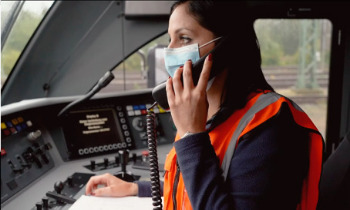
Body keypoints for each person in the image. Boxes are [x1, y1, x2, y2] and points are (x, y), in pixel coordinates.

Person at [85, 1, 324, 209]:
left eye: (184, 38)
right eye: (170, 39)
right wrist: (137, 188)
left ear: (225, 48)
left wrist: (192, 136)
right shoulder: (207, 112)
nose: (170, 50)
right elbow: (200, 185)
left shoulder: (270, 126)